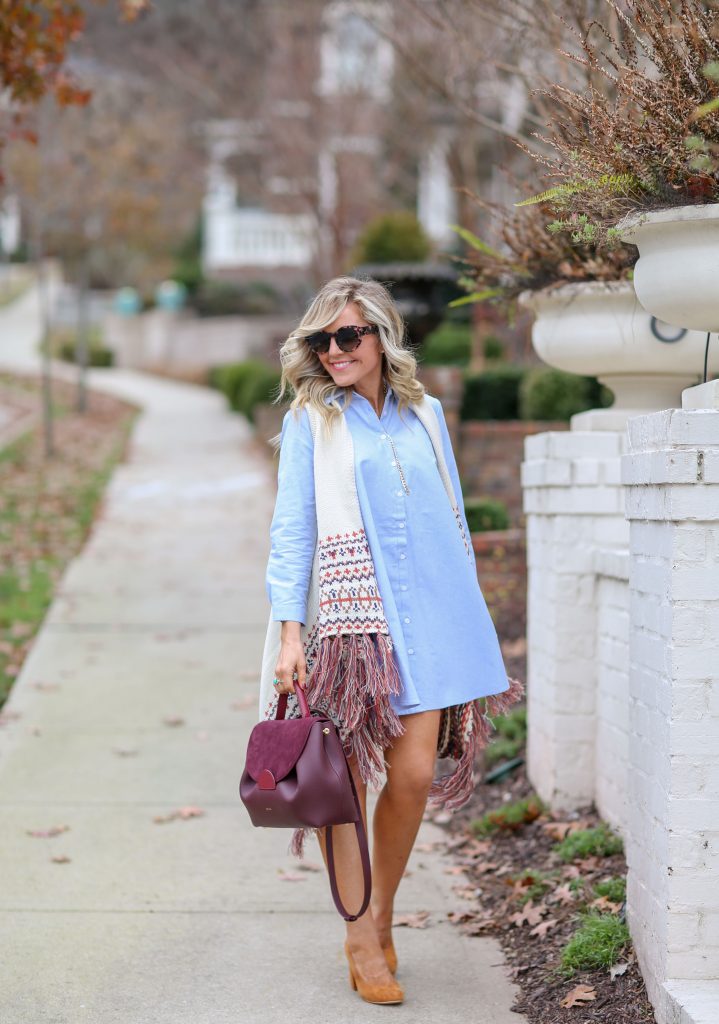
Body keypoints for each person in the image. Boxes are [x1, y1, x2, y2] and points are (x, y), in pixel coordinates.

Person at [262, 276, 518, 1005]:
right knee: (343, 784)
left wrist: (470, 611)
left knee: (410, 778)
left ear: (379, 338)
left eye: (348, 336)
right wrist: (289, 632)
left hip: (432, 617)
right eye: (322, 339)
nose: (334, 350)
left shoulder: (426, 413)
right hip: (352, 628)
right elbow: (292, 533)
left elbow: (454, 516)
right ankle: (358, 937)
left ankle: (381, 915)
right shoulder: (312, 422)